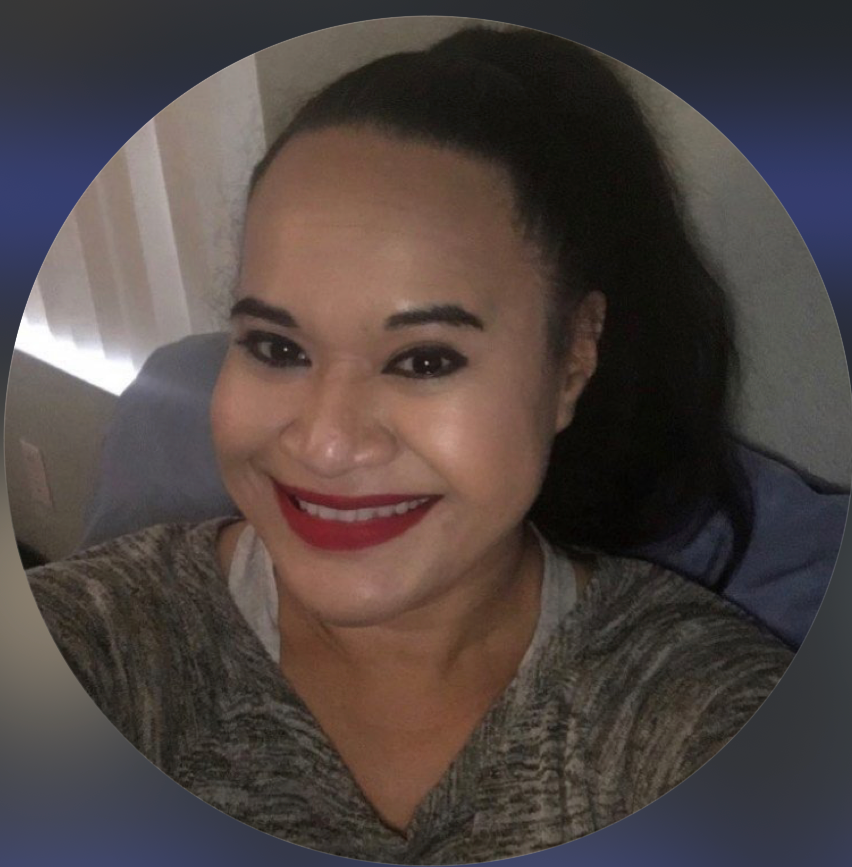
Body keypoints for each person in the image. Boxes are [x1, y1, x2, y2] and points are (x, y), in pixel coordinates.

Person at [30, 26, 794, 863]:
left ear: (573, 360)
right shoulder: (93, 644)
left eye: (425, 360)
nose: (325, 444)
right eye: (277, 347)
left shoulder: (697, 710)